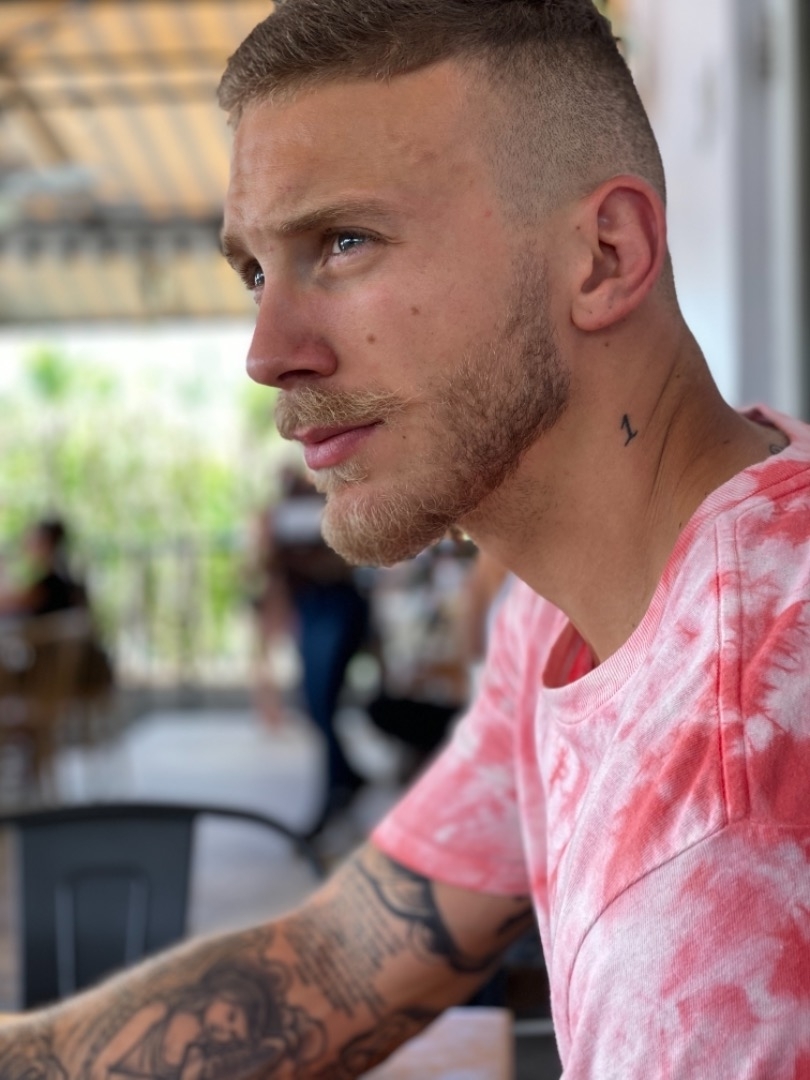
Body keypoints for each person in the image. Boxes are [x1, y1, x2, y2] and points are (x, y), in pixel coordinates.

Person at [2, 1, 809, 1076]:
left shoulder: (742, 814)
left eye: (344, 242)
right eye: (255, 272)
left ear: (605, 256)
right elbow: (340, 960)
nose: (267, 352)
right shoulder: (579, 602)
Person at [248, 465, 370, 829]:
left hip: (337, 604)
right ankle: (344, 780)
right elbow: (266, 570)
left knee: (322, 699)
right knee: (314, 702)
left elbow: (352, 560)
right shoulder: (278, 514)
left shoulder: (335, 499)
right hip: (310, 607)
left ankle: (338, 789)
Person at [0, 518, 87, 620]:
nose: (25, 547)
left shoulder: (50, 585)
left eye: (32, 542)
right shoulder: (58, 580)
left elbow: (7, 604)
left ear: (46, 544)